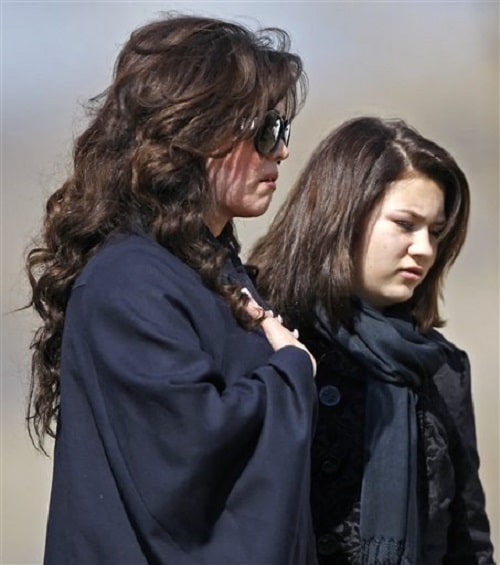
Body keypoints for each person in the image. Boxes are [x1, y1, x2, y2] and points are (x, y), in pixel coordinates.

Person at [25, 13, 319, 564]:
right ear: (196, 131)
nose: (280, 152)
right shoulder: (127, 281)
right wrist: (292, 374)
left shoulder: (212, 270)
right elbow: (189, 458)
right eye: (265, 131)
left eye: (283, 132)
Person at [249, 116, 495, 564]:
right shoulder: (267, 337)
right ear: (342, 217)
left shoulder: (441, 368)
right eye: (405, 224)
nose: (423, 248)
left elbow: (468, 543)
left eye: (435, 232)